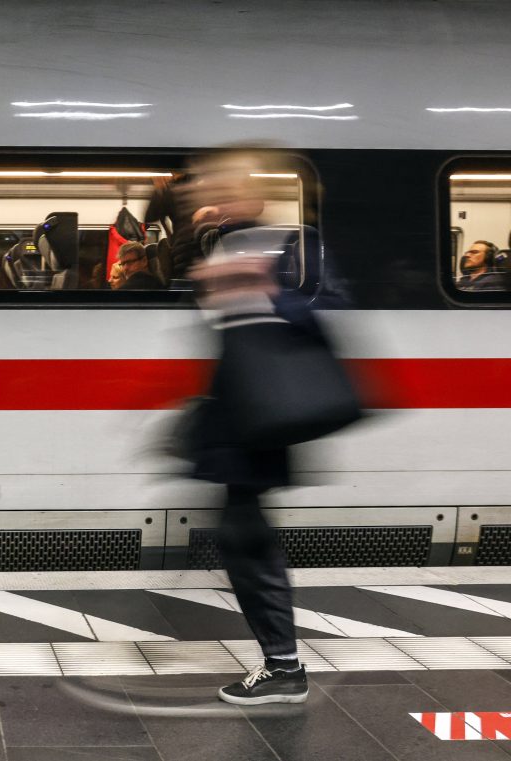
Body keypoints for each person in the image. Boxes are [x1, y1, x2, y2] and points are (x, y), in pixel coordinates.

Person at [183, 149, 314, 706]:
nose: (205, 198)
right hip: (243, 419)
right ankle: (282, 662)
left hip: (255, 420)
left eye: (219, 188)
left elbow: (297, 317)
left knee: (247, 541)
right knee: (245, 536)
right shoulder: (234, 244)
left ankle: (283, 665)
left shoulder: (270, 246)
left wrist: (245, 280)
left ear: (250, 197)